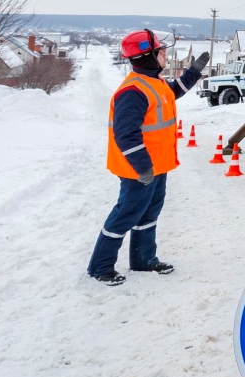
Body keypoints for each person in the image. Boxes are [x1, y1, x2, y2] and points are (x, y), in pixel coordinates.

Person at [86, 29, 209, 286]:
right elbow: (125, 134)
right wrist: (143, 167)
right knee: (126, 214)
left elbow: (173, 92)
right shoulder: (133, 91)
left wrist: (194, 72)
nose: (165, 54)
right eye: (161, 51)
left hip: (157, 166)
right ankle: (101, 267)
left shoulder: (156, 83)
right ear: (148, 56)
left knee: (149, 213)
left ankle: (143, 260)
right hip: (139, 170)